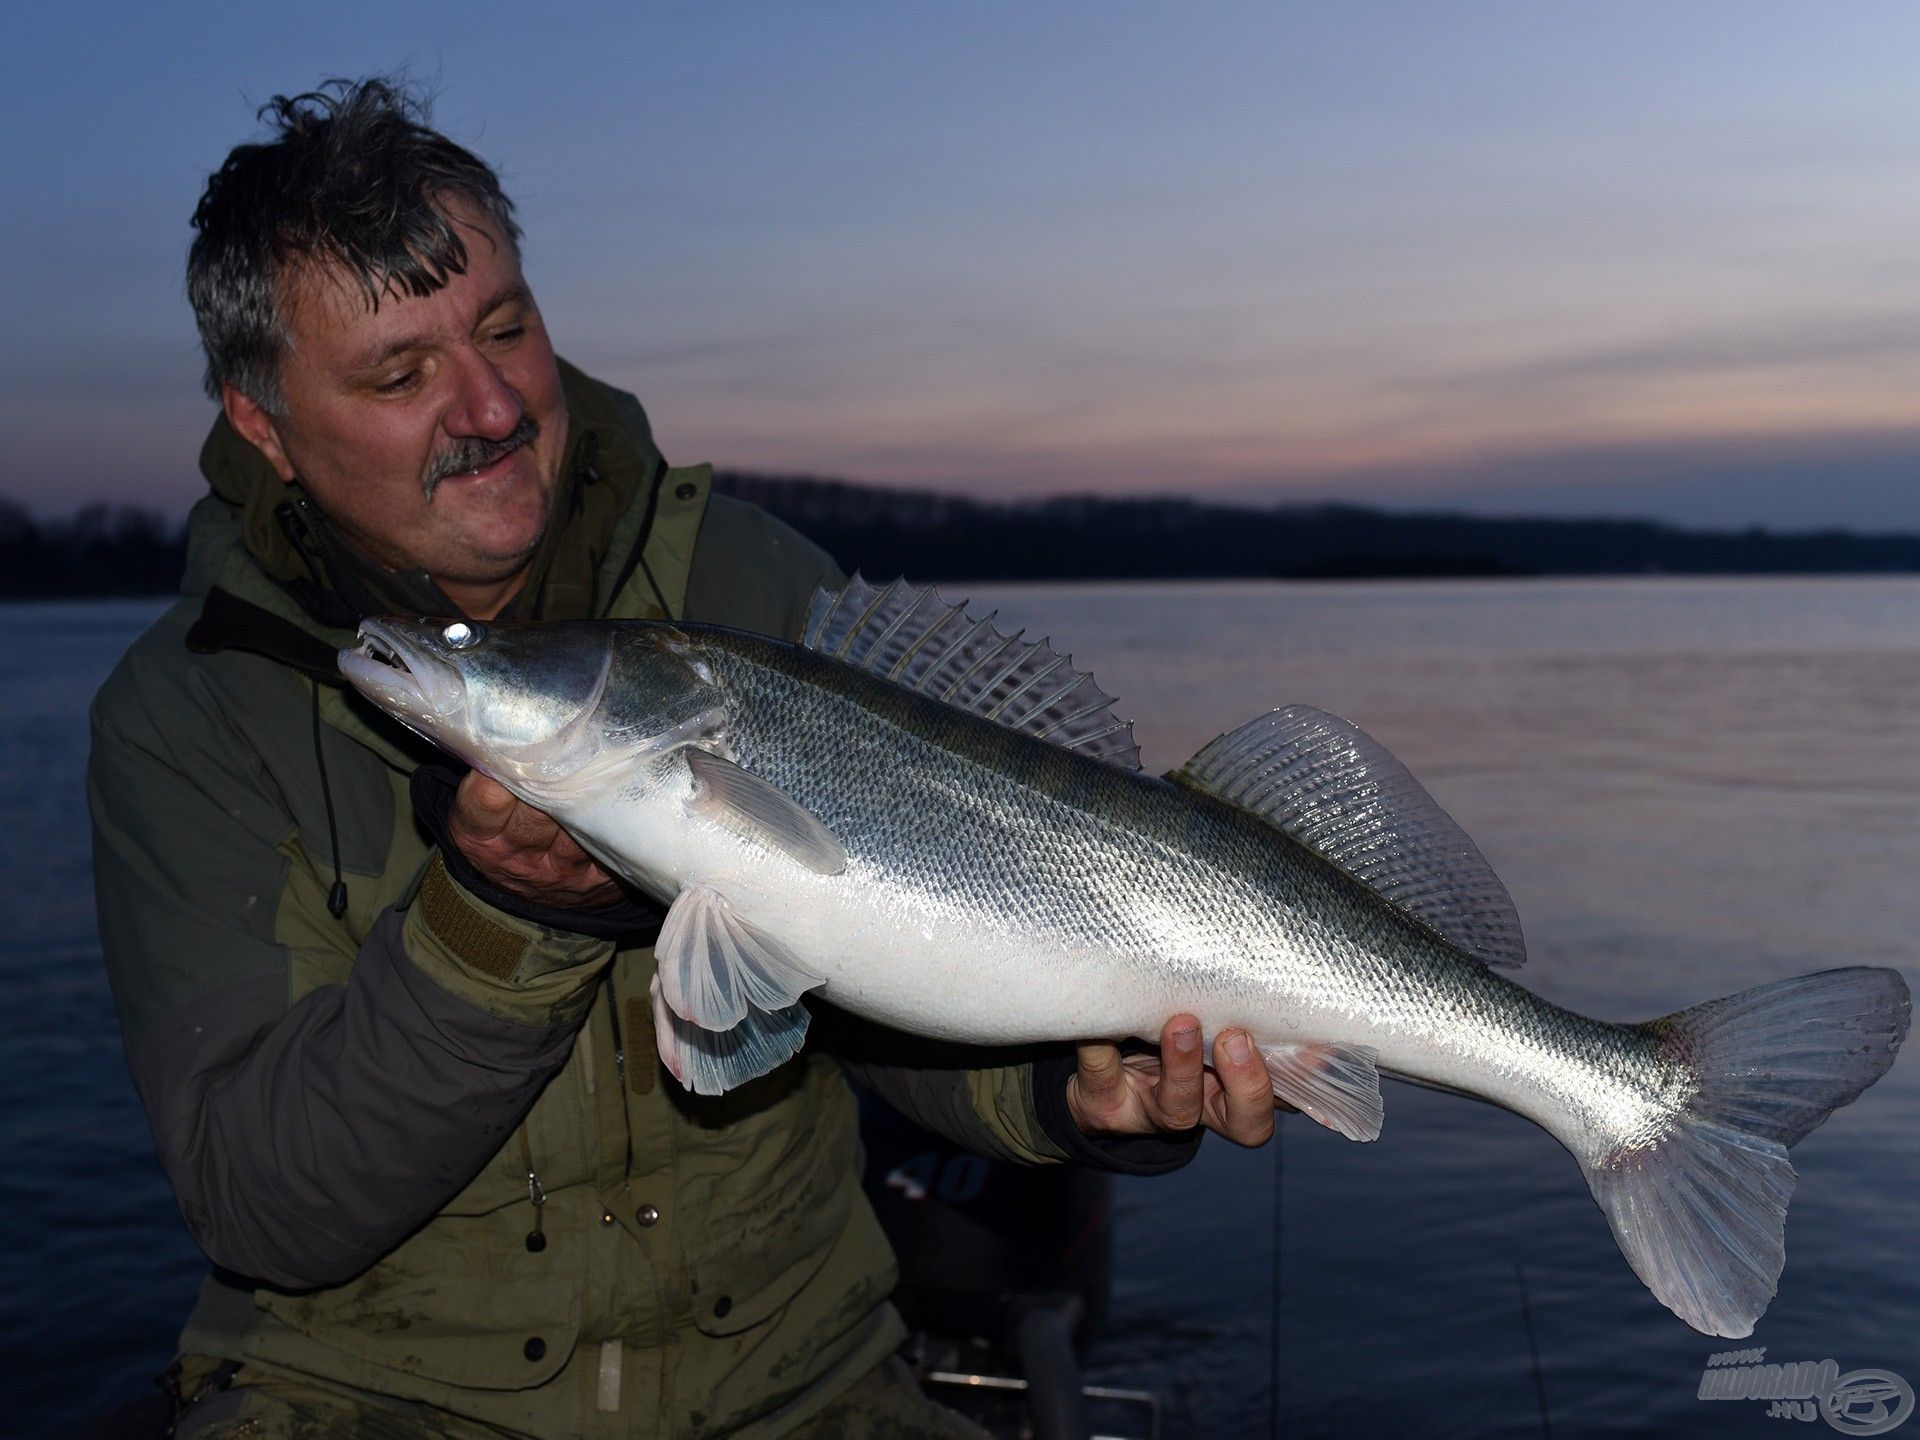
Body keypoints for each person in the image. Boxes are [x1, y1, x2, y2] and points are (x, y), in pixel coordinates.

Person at [90, 78, 1285, 1439]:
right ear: (265, 426)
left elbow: (888, 956)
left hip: (801, 1383)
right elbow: (265, 1203)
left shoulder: (751, 583)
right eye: (398, 374)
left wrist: (1064, 1094)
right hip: (380, 1400)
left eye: (505, 328)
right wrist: (496, 922)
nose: (487, 407)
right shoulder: (186, 719)